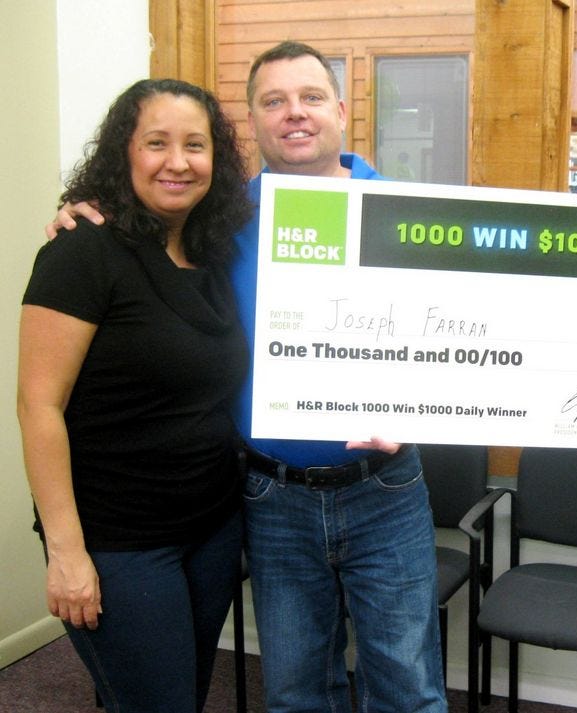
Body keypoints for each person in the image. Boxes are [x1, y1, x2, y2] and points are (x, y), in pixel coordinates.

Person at [50, 42, 447, 713]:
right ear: (254, 121)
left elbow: (466, 344)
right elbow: (142, 224)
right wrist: (84, 209)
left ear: (342, 111)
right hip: (271, 495)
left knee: (408, 691)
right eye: (274, 101)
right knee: (293, 692)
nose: (295, 114)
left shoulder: (411, 213)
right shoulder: (218, 220)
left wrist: (427, 407)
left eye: (311, 97)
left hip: (386, 491)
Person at [19, 78, 252, 712]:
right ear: (125, 152)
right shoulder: (82, 252)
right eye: (157, 143)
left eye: (195, 145)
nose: (178, 162)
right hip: (117, 541)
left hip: (210, 528)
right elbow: (38, 406)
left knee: (183, 694)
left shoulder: (216, 252)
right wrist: (66, 553)